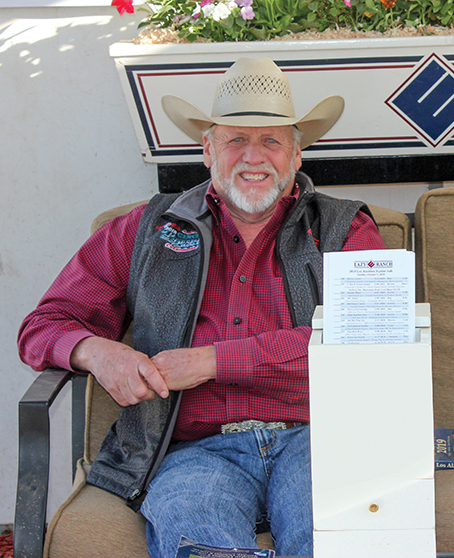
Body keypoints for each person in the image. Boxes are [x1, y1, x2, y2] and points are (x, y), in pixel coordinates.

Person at [18, 57, 385, 558]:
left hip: (318, 439)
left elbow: (368, 335)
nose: (253, 157)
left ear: (297, 155)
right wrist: (99, 353)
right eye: (236, 139)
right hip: (194, 453)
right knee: (200, 541)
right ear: (207, 149)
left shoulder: (346, 230)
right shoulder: (145, 229)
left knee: (334, 544)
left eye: (272, 141)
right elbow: (44, 325)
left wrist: (212, 361)